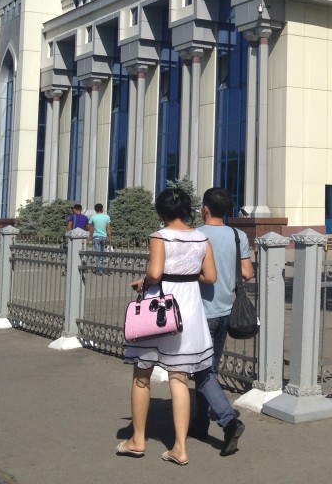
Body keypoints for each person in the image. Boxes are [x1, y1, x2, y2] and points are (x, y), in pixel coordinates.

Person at [117, 188, 218, 465]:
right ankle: (180, 448)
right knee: (179, 377)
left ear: (161, 212)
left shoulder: (159, 236)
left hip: (161, 306)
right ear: (187, 210)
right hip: (189, 307)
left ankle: (138, 439)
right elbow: (210, 276)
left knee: (142, 373)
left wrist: (144, 282)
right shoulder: (201, 237)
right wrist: (186, 274)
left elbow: (156, 272)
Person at [193, 187, 252, 445]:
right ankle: (199, 423)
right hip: (228, 312)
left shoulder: (195, 235)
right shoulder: (238, 236)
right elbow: (247, 273)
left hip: (201, 314)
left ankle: (229, 422)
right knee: (208, 369)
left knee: (203, 372)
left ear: (205, 208)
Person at [88, 203, 112, 275]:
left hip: (96, 236)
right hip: (103, 237)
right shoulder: (107, 217)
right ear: (102, 209)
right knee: (102, 253)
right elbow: (108, 228)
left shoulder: (93, 217)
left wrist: (91, 233)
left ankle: (99, 269)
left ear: (95, 210)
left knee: (97, 253)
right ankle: (101, 269)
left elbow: (89, 227)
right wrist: (110, 237)